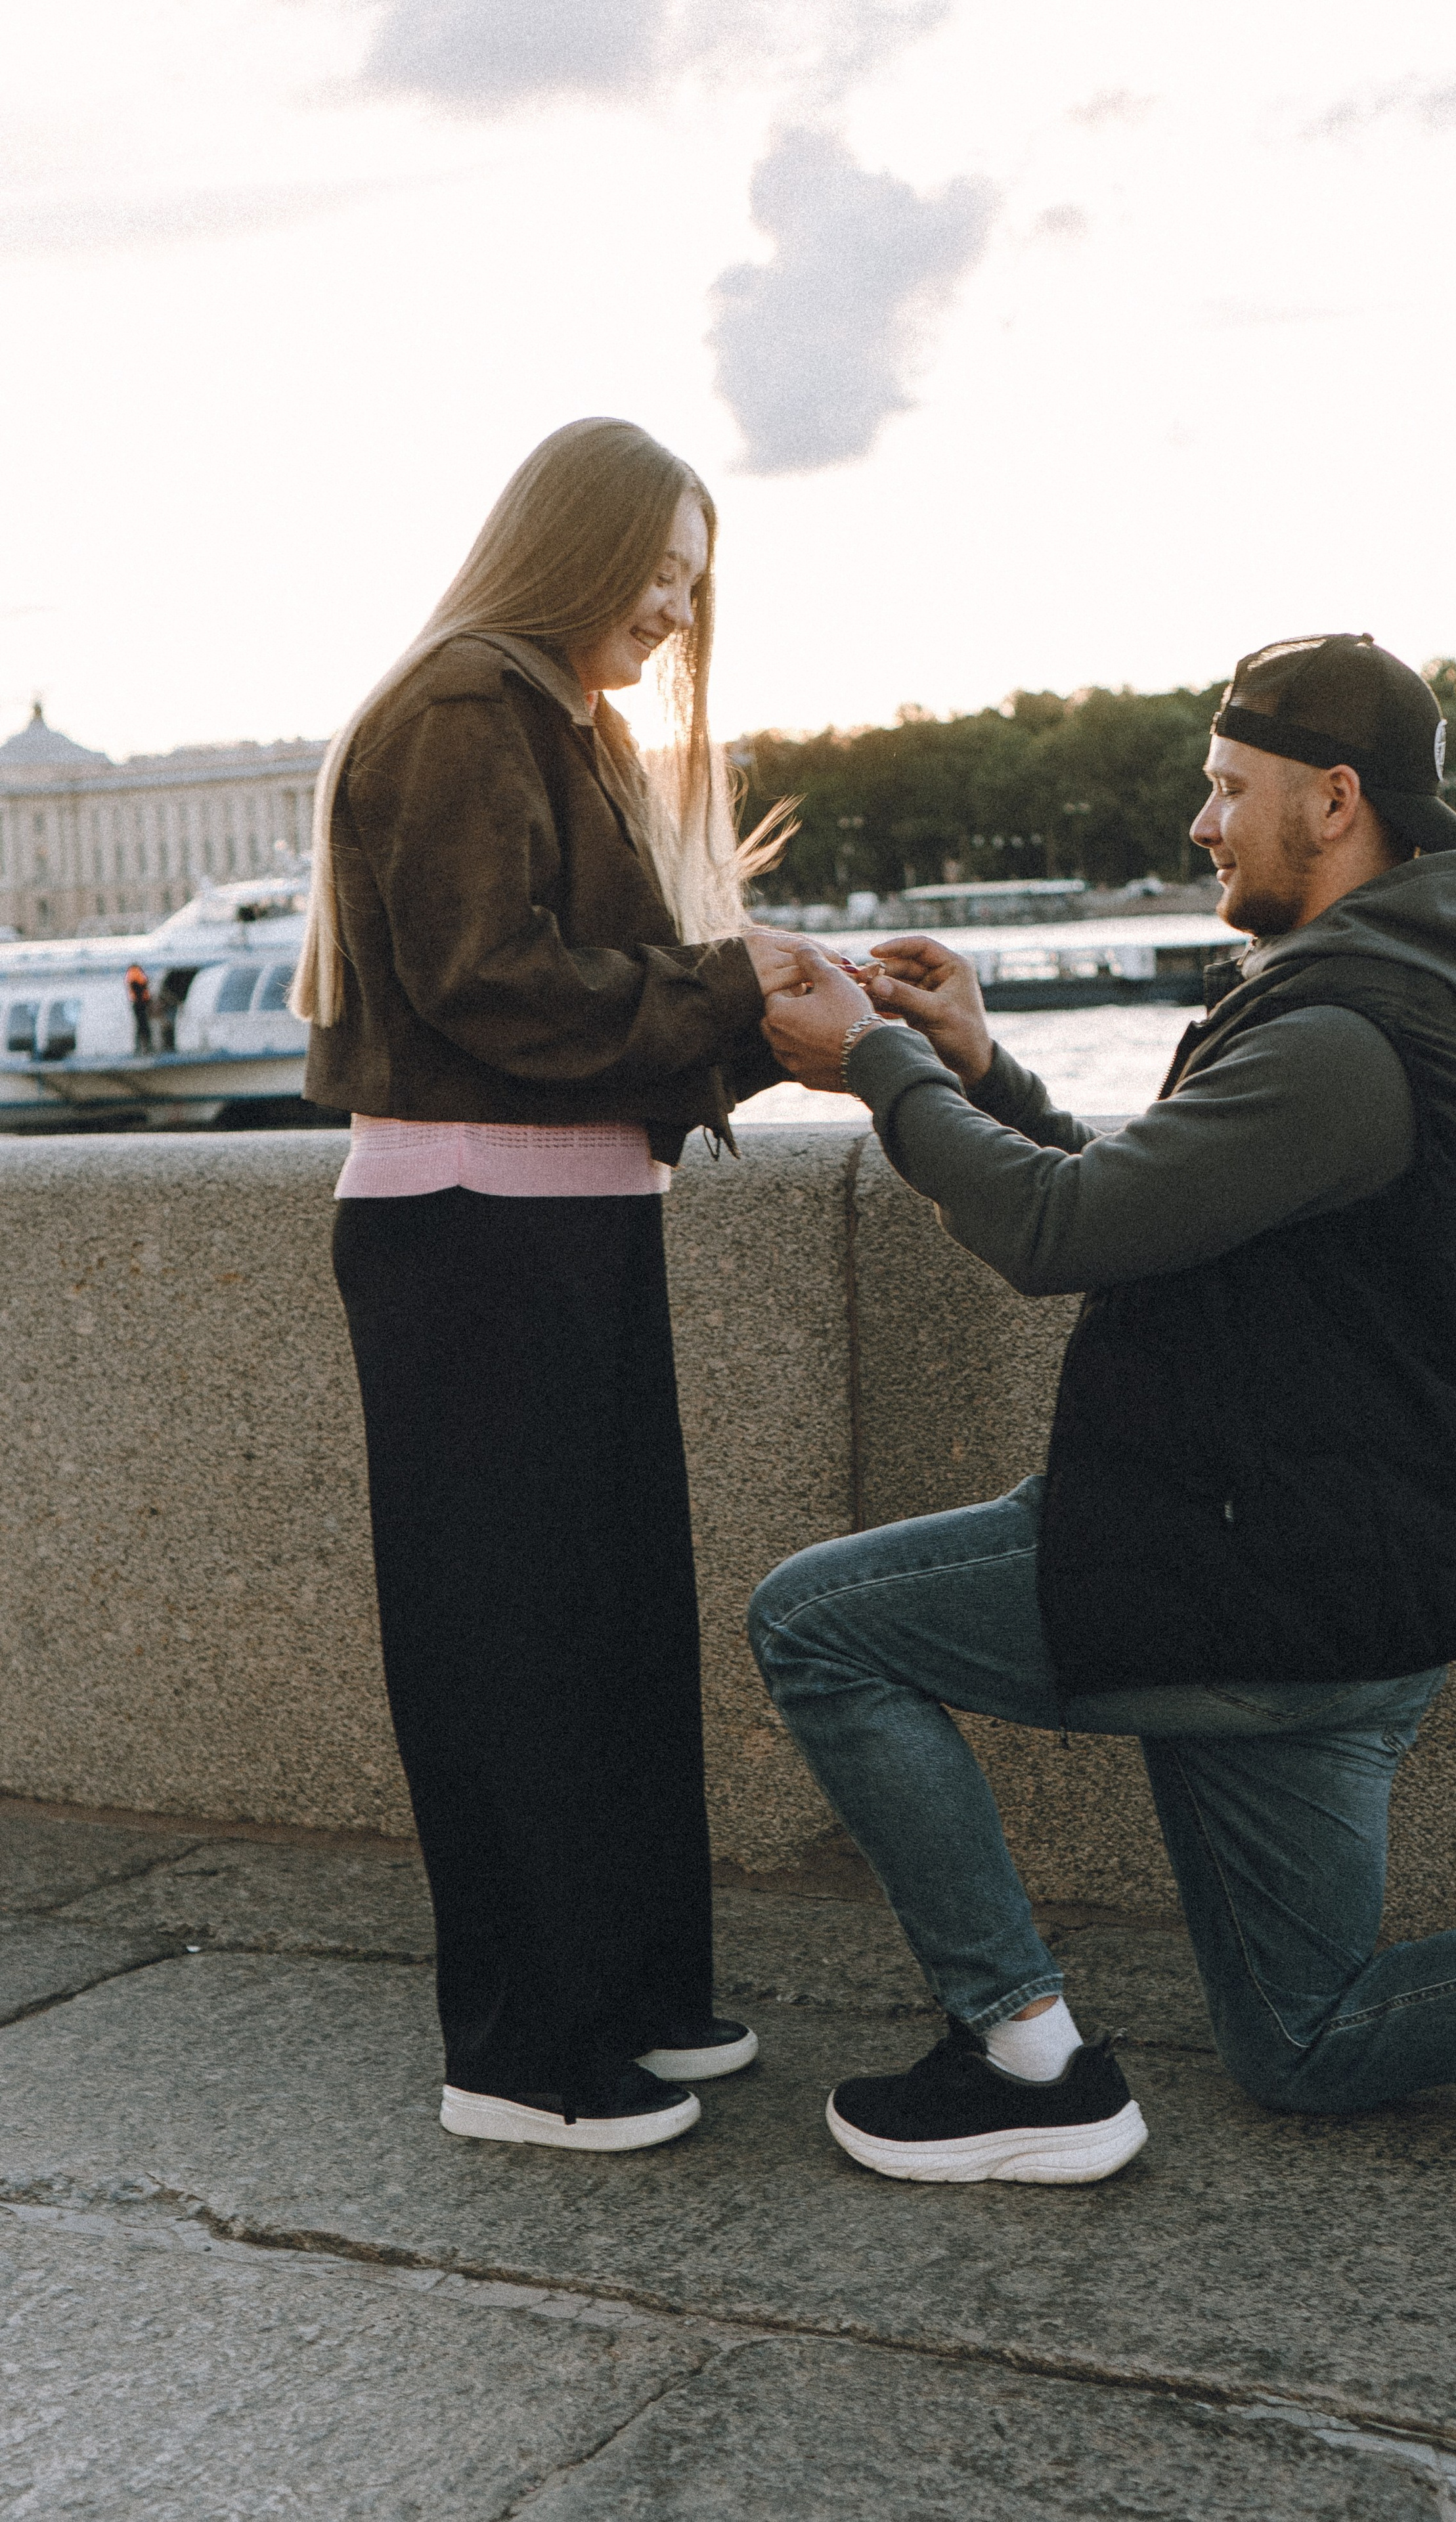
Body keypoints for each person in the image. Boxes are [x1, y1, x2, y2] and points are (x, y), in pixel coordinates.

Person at [751, 632, 1456, 2186]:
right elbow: (1147, 1201)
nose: (1197, 824)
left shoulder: (1337, 1037)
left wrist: (880, 1066)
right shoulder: (1365, 1000)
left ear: (1330, 801)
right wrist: (979, 1073)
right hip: (1337, 1596)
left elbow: (1059, 1238)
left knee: (816, 1626)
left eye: (1223, 789)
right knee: (1302, 2044)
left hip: (1243, 1583)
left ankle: (1021, 2062)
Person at [297, 417, 810, 2156]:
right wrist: (737, 998)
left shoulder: (537, 714)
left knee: (606, 1630)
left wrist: (763, 996)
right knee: (514, 1649)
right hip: (479, 1244)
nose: (675, 607)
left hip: (551, 1231)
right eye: (656, 570)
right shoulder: (464, 707)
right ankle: (521, 2056)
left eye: (692, 578)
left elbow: (576, 991)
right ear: (570, 548)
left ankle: (630, 1997)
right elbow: (496, 982)